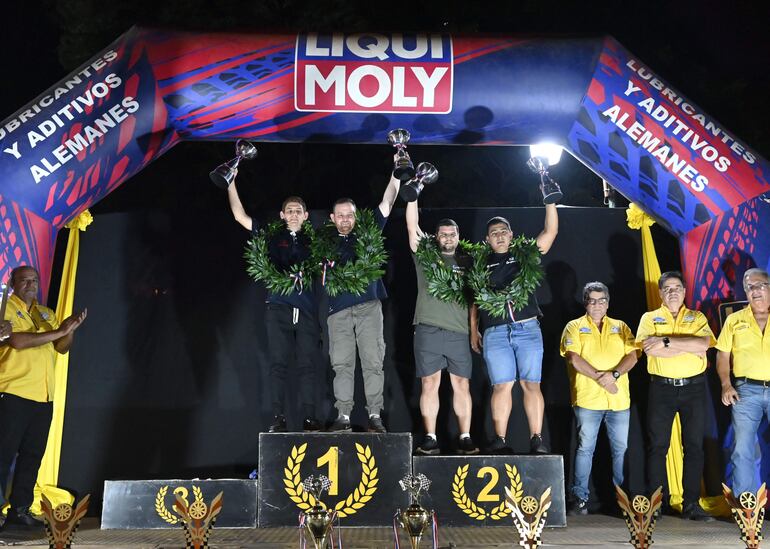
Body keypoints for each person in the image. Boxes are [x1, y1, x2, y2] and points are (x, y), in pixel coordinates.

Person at [227, 177, 321, 433]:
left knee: (308, 366)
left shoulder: (317, 241)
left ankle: (310, 418)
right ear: (282, 215)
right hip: (278, 308)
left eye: (298, 211)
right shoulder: (271, 236)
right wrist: (231, 183)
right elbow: (239, 216)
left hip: (306, 310)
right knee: (278, 364)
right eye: (289, 210)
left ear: (306, 216)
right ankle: (278, 417)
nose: (294, 214)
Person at [0, 266, 87, 528]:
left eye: (34, 280)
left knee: (32, 455)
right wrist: (58, 331)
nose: (31, 284)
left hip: (43, 397)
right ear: (12, 283)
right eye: (24, 280)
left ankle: (19, 510)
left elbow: (61, 348)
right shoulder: (5, 307)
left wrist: (69, 329)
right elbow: (16, 341)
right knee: (2, 454)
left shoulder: (46, 313)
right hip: (13, 391)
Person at [470, 205, 558, 454]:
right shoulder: (480, 265)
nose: (499, 236)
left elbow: (550, 232)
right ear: (487, 239)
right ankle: (500, 439)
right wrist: (473, 329)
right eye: (494, 233)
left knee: (531, 384)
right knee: (501, 385)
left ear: (511, 234)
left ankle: (537, 438)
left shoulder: (525, 255)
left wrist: (550, 202)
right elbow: (473, 299)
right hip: (495, 332)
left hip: (527, 328)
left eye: (503, 231)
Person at [636, 271, 715, 522]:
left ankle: (691, 504)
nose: (673, 292)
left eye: (677, 287)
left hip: (694, 388)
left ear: (684, 291)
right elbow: (651, 350)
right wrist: (687, 345)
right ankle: (657, 503)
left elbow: (704, 344)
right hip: (662, 389)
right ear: (660, 292)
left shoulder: (697, 317)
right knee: (658, 446)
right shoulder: (649, 318)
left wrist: (667, 341)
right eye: (667, 288)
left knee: (694, 446)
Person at [326, 172, 400, 433]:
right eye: (341, 215)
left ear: (356, 216)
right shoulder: (322, 242)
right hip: (338, 310)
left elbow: (387, 202)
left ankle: (375, 415)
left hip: (369, 305)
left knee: (373, 362)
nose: (346, 219)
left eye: (350, 215)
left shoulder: (368, 232)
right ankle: (343, 416)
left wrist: (397, 173)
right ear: (333, 218)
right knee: (342, 364)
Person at [406, 200, 478, 455]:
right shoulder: (425, 257)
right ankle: (430, 437)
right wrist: (413, 194)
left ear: (459, 236)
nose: (448, 238)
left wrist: (474, 330)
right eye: (443, 234)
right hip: (429, 329)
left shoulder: (468, 261)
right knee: (429, 384)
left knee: (462, 385)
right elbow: (412, 225)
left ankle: (465, 437)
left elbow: (474, 300)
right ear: (436, 237)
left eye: (452, 234)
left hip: (459, 333)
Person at [560, 282, 638, 515]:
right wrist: (601, 378)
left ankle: (622, 500)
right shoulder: (574, 326)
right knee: (585, 449)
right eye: (592, 300)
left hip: (618, 401)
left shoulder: (621, 326)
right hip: (588, 399)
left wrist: (614, 375)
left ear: (608, 303)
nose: (597, 305)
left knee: (621, 450)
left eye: (601, 300)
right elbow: (573, 358)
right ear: (585, 303)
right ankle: (580, 499)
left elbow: (633, 355)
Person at [716, 268, 770, 498]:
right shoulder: (734, 320)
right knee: (742, 448)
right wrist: (726, 384)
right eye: (749, 287)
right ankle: (745, 504)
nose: (754, 291)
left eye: (759, 285)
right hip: (745, 390)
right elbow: (722, 355)